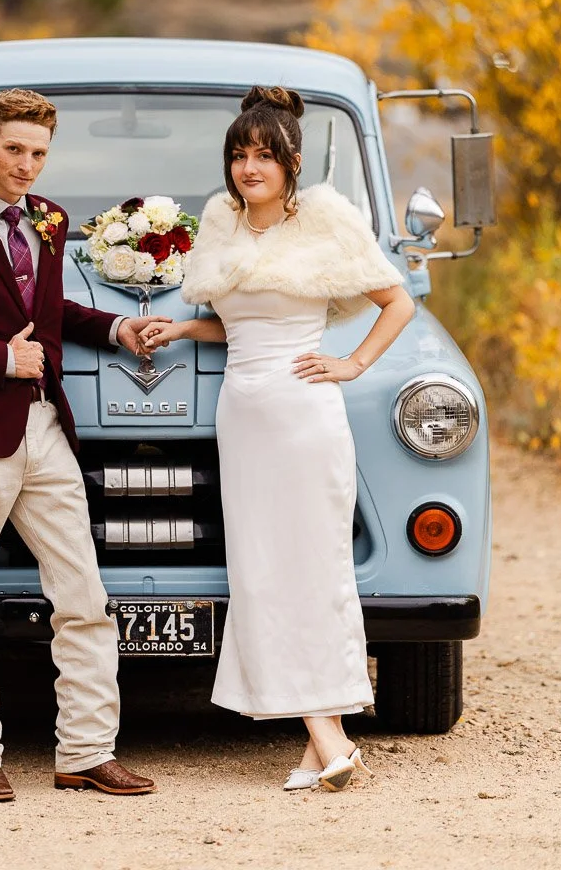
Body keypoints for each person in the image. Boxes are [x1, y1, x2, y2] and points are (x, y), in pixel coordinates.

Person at [0, 88, 163, 802]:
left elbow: (47, 312)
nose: (26, 165)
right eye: (14, 149)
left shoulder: (49, 221)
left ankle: (85, 751)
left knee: (84, 596)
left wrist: (112, 328)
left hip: (45, 429)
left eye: (39, 153)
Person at [143, 86, 415, 793]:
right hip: (244, 412)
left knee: (313, 569)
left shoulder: (325, 221)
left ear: (291, 160)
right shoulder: (221, 223)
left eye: (263, 154)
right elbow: (237, 324)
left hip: (303, 413)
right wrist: (181, 328)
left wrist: (352, 364)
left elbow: (398, 300)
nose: (248, 167)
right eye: (238, 155)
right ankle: (322, 743)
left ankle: (325, 735)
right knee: (261, 572)